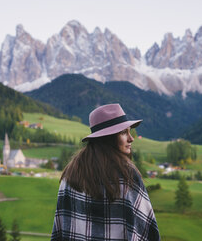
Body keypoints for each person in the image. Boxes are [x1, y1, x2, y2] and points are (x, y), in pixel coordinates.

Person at [51, 103, 160, 240]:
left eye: (129, 131)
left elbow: (59, 230)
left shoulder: (71, 174)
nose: (131, 138)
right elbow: (147, 231)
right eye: (123, 132)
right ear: (108, 137)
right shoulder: (127, 175)